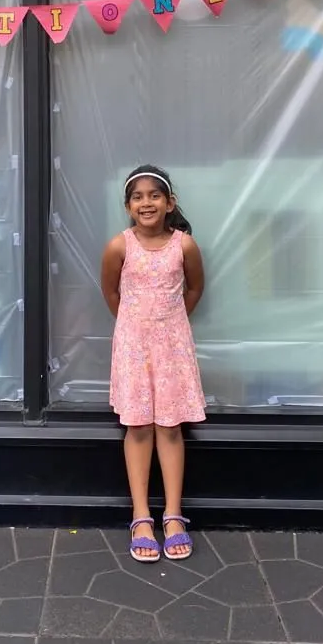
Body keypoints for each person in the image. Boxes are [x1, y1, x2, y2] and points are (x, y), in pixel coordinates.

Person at [100, 165, 205, 563]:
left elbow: (194, 288)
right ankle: (141, 516)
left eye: (155, 195)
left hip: (173, 347)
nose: (147, 203)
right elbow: (112, 292)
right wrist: (137, 326)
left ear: (169, 203)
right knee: (139, 426)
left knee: (171, 426)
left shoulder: (184, 246)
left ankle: (173, 515)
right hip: (133, 347)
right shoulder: (119, 246)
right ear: (128, 206)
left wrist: (169, 323)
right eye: (138, 197)